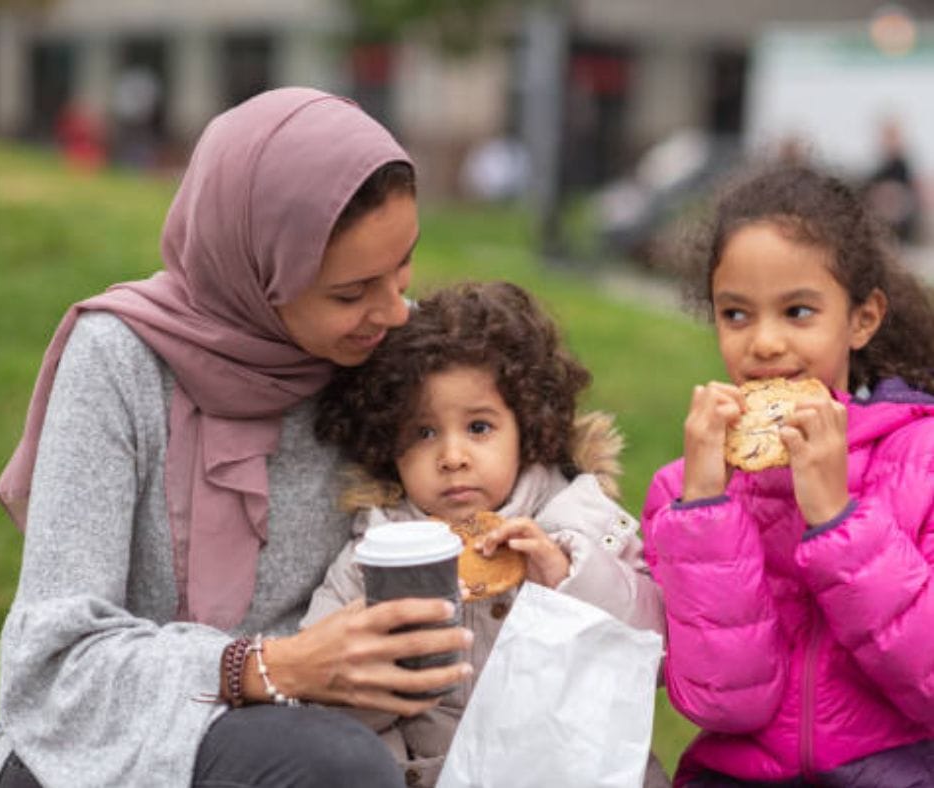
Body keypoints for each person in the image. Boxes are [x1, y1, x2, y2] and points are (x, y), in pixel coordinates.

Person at [0, 87, 474, 788]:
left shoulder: (396, 355)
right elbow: (55, 665)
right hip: (110, 752)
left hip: (329, 735)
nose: (394, 310)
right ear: (256, 272)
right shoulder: (121, 360)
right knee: (335, 766)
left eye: (403, 265)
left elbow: (522, 479)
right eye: (351, 293)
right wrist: (269, 667)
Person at [303, 281, 669, 788]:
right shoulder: (375, 558)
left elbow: (651, 653)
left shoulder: (581, 522)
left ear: (528, 427)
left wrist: (569, 577)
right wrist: (387, 655)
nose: (453, 457)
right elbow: (321, 706)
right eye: (424, 433)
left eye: (479, 428)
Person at [642, 164, 934, 787]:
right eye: (737, 315)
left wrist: (838, 518)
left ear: (861, 318)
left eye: (798, 311)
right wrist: (703, 513)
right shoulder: (684, 493)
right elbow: (722, 703)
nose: (765, 343)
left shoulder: (922, 463)